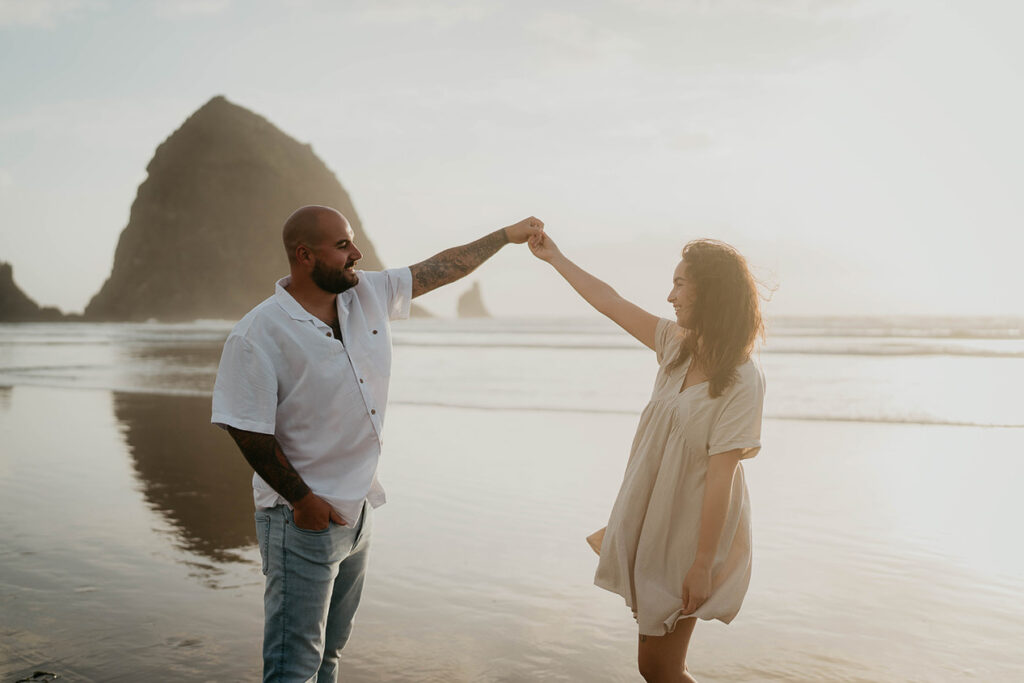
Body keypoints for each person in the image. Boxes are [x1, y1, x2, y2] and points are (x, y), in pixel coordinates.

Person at [211, 205, 543, 682]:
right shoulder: (257, 334)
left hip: (360, 508)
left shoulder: (365, 294)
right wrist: (304, 502)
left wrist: (507, 236)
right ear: (304, 255)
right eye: (343, 245)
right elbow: (247, 429)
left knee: (329, 656)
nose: (357, 254)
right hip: (302, 520)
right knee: (293, 667)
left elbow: (442, 268)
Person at [528, 233, 765, 683]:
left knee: (659, 667)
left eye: (680, 284)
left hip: (694, 530)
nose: (670, 296)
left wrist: (701, 563)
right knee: (659, 667)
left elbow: (722, 477)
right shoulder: (675, 346)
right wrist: (556, 258)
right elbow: (610, 301)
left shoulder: (741, 378)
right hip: (659, 516)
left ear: (710, 292)